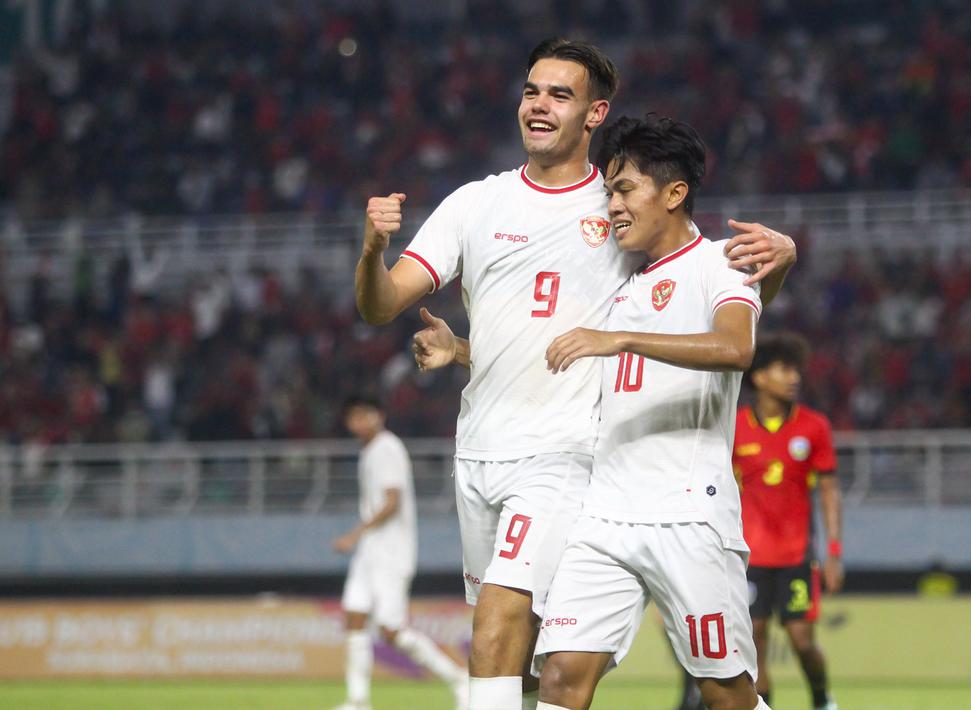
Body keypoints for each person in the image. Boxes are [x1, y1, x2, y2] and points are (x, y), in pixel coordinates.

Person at [357, 38, 797, 710]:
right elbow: (390, 307)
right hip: (519, 469)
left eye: (559, 94)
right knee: (542, 670)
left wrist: (783, 256)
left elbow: (720, 315)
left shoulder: (639, 220)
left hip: (591, 468)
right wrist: (434, 318)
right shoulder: (481, 205)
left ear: (595, 114)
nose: (539, 104)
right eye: (531, 90)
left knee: (503, 628)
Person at [529, 115, 774, 710]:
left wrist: (621, 340)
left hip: (687, 514)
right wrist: (459, 350)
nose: (612, 205)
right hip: (604, 516)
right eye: (608, 192)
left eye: (624, 189)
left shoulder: (719, 263)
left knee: (726, 694)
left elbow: (736, 348)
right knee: (560, 677)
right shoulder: (619, 282)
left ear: (674, 192)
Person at [332, 396, 468, 710]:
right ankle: (358, 700)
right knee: (354, 616)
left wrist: (355, 534)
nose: (359, 422)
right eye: (354, 417)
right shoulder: (369, 451)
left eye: (365, 415)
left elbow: (392, 501)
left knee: (391, 631)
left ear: (379, 416)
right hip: (370, 550)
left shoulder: (387, 448)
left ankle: (458, 678)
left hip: (391, 551)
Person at [734, 334, 843, 710]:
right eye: (784, 369)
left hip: (796, 555)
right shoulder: (735, 426)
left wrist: (834, 552)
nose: (794, 377)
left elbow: (829, 491)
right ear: (760, 377)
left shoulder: (813, 427)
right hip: (750, 557)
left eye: (796, 370)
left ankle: (821, 698)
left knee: (802, 641)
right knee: (754, 639)